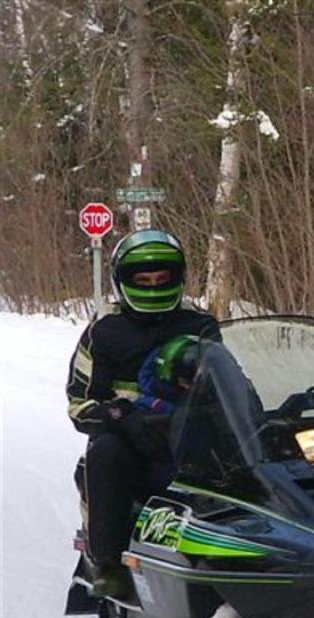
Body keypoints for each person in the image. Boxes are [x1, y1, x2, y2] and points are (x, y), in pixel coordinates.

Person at [66, 229, 219, 598]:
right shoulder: (103, 333)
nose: (153, 286)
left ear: (177, 278)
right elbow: (79, 403)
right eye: (144, 280)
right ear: (124, 282)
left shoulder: (201, 326)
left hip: (189, 435)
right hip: (131, 441)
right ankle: (108, 562)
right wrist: (119, 417)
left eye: (162, 279)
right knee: (105, 454)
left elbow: (229, 381)